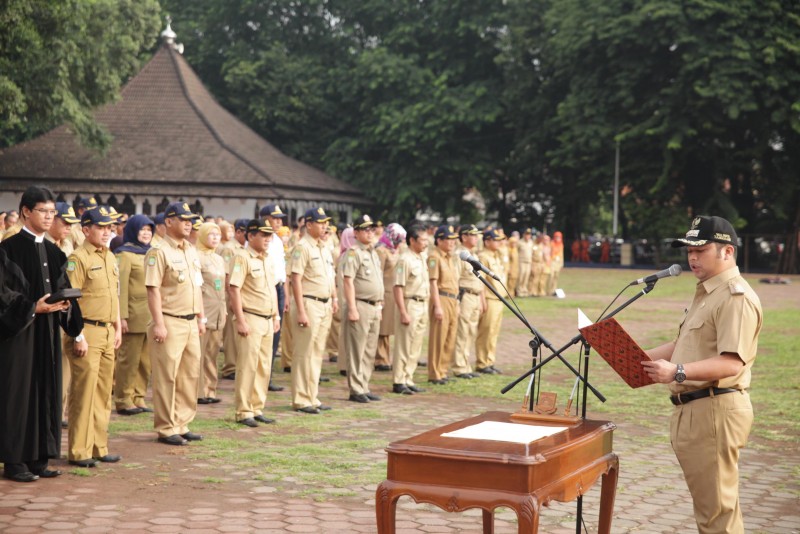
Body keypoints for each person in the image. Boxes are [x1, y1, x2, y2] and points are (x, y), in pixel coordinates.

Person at [642, 215, 762, 534]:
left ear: (727, 252)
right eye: (689, 251)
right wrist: (632, 359)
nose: (692, 257)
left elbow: (732, 363)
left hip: (715, 409)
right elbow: (686, 344)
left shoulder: (735, 297)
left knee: (717, 517)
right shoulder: (709, 292)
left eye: (702, 250)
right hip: (697, 409)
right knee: (710, 510)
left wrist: (677, 372)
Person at [0, 185, 83, 482]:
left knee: (46, 390)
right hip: (19, 336)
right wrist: (33, 308)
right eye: (43, 211)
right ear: (26, 211)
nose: (50, 217)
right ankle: (14, 460)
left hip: (46, 334)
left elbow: (65, 288)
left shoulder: (54, 251)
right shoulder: (8, 250)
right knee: (18, 395)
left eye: (52, 212)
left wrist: (65, 306)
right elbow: (4, 295)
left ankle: (38, 458)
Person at [65, 206, 122, 467]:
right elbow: (71, 302)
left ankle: (99, 446)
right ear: (86, 230)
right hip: (86, 330)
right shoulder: (78, 258)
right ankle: (79, 450)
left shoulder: (110, 257)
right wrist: (77, 335)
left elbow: (114, 296)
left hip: (107, 330)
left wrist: (118, 327)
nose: (106, 232)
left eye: (109, 227)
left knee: (102, 394)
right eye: (101, 227)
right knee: (83, 393)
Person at [145, 202, 206, 446]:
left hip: (191, 320)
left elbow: (197, 286)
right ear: (169, 222)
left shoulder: (191, 250)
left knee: (190, 375)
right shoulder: (158, 251)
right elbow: (153, 290)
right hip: (169, 320)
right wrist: (159, 323)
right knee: (167, 376)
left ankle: (182, 423)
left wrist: (201, 317)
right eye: (183, 219)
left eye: (190, 219)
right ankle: (166, 426)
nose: (188, 223)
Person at [228, 219, 280, 427]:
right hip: (251, 316)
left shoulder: (267, 259)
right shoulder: (242, 258)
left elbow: (273, 289)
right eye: (263, 235)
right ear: (251, 236)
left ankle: (257, 407)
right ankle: (243, 410)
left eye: (269, 236)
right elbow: (234, 289)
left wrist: (276, 316)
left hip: (267, 318)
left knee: (263, 366)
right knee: (248, 366)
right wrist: (240, 320)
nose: (268, 239)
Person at [289, 207, 337, 414]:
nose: (324, 225)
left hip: (324, 304)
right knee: (303, 352)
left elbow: (330, 277)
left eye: (326, 222)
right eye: (320, 222)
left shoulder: (324, 247)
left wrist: (334, 298)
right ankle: (301, 398)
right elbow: (296, 279)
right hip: (309, 303)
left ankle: (312, 396)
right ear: (309, 225)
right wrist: (300, 310)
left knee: (317, 353)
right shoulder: (302, 247)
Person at [114, 214, 155, 415]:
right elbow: (120, 288)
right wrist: (121, 316)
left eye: (149, 230)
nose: (146, 233)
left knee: (145, 361)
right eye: (142, 230)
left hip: (149, 315)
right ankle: (123, 399)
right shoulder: (124, 254)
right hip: (132, 315)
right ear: (133, 231)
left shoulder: (152, 253)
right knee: (129, 360)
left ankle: (139, 398)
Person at [342, 215, 384, 403]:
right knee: (357, 349)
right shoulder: (353, 252)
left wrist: (380, 304)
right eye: (365, 230)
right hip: (360, 304)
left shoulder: (373, 252)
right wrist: (351, 307)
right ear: (356, 233)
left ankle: (364, 385)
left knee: (369, 349)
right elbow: (348, 281)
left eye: (372, 229)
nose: (370, 233)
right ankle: (356, 388)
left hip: (374, 306)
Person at [46, 202, 80, 427]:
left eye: (71, 224)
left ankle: (59, 412)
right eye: (64, 222)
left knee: (64, 366)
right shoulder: (41, 246)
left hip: (64, 315)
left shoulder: (67, 245)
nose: (68, 227)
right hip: (44, 314)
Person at [390, 226, 430, 395]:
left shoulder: (421, 257)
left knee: (416, 344)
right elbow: (398, 287)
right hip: (409, 303)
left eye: (427, 240)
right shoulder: (404, 259)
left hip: (422, 303)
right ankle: (399, 380)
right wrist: (403, 311)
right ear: (412, 240)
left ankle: (408, 377)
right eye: (422, 240)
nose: (426, 244)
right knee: (404, 344)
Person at [196, 222, 227, 405]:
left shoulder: (219, 259)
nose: (215, 238)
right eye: (211, 234)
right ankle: (199, 391)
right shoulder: (196, 257)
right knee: (200, 354)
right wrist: (200, 315)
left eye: (217, 234)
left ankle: (210, 389)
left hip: (217, 313)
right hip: (204, 311)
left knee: (212, 354)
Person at [260, 204, 289, 393]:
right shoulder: (259, 239)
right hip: (265, 288)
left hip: (278, 288)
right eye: (275, 218)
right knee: (265, 336)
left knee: (275, 336)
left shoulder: (277, 240)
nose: (279, 221)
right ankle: (261, 377)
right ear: (264, 218)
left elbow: (281, 270)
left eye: (280, 218)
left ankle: (268, 376)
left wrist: (285, 294)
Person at [427, 224, 459, 385]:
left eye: (454, 240)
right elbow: (433, 283)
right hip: (441, 298)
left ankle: (443, 370)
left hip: (453, 299)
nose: (452, 243)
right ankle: (434, 372)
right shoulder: (434, 257)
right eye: (449, 239)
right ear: (439, 240)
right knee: (438, 337)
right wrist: (437, 306)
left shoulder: (449, 258)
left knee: (450, 337)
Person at [373, 223, 406, 372]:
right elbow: (377, 273)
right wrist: (379, 296)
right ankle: (380, 358)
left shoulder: (395, 250)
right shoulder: (381, 251)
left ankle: (385, 356)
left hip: (394, 293)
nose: (399, 242)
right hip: (384, 292)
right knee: (382, 328)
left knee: (388, 327)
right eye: (398, 239)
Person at [452, 224, 484, 379]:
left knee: (471, 332)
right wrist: (457, 301)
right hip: (464, 296)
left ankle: (466, 365)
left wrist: (482, 299)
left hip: (475, 296)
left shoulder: (473, 254)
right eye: (473, 235)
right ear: (464, 237)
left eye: (477, 235)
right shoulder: (459, 254)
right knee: (462, 332)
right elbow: (455, 279)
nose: (476, 238)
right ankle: (459, 366)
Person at [220, 218, 248, 381]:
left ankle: (236, 364)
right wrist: (230, 296)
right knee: (231, 334)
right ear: (239, 232)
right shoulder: (229, 249)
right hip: (230, 292)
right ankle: (230, 367)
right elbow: (226, 274)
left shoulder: (242, 248)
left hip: (239, 293)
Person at [476, 228, 507, 374]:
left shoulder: (496, 256)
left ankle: (490, 360)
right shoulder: (483, 256)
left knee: (494, 332)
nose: (499, 243)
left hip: (499, 299)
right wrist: (482, 300)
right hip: (489, 299)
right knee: (486, 332)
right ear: (487, 241)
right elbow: (480, 280)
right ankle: (482, 363)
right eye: (495, 240)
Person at [517, 229, 533, 297]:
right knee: (521, 276)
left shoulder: (531, 242)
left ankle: (524, 290)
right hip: (521, 261)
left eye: (529, 234)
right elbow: (517, 252)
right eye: (526, 234)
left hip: (528, 262)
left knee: (526, 276)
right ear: (524, 235)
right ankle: (519, 290)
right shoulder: (520, 242)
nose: (528, 236)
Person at [548, 231, 564, 295]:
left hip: (558, 262)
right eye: (557, 237)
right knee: (551, 276)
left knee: (556, 277)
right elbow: (549, 253)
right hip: (552, 261)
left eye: (559, 237)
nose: (558, 238)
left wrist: (562, 263)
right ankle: (549, 290)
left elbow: (562, 254)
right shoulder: (551, 243)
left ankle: (554, 289)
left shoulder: (561, 244)